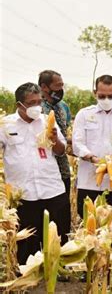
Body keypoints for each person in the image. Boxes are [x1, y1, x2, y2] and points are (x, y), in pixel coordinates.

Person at [72, 75, 112, 283]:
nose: (106, 99)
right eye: (102, 95)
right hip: (89, 180)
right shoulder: (84, 115)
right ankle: (88, 267)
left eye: (110, 95)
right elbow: (77, 143)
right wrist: (91, 157)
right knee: (89, 227)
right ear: (95, 93)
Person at [0, 83, 68, 264]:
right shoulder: (5, 125)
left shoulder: (47, 121)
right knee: (27, 240)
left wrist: (55, 140)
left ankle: (58, 270)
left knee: (56, 235)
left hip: (51, 188)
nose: (36, 107)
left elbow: (61, 151)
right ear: (19, 105)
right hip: (22, 193)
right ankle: (26, 272)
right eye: (31, 103)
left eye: (39, 102)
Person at [38, 70, 72, 246]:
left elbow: (66, 134)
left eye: (61, 85)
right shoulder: (36, 110)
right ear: (44, 87)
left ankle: (62, 255)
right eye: (57, 86)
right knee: (45, 219)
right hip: (45, 171)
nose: (61, 89)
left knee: (63, 216)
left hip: (63, 170)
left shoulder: (64, 107)